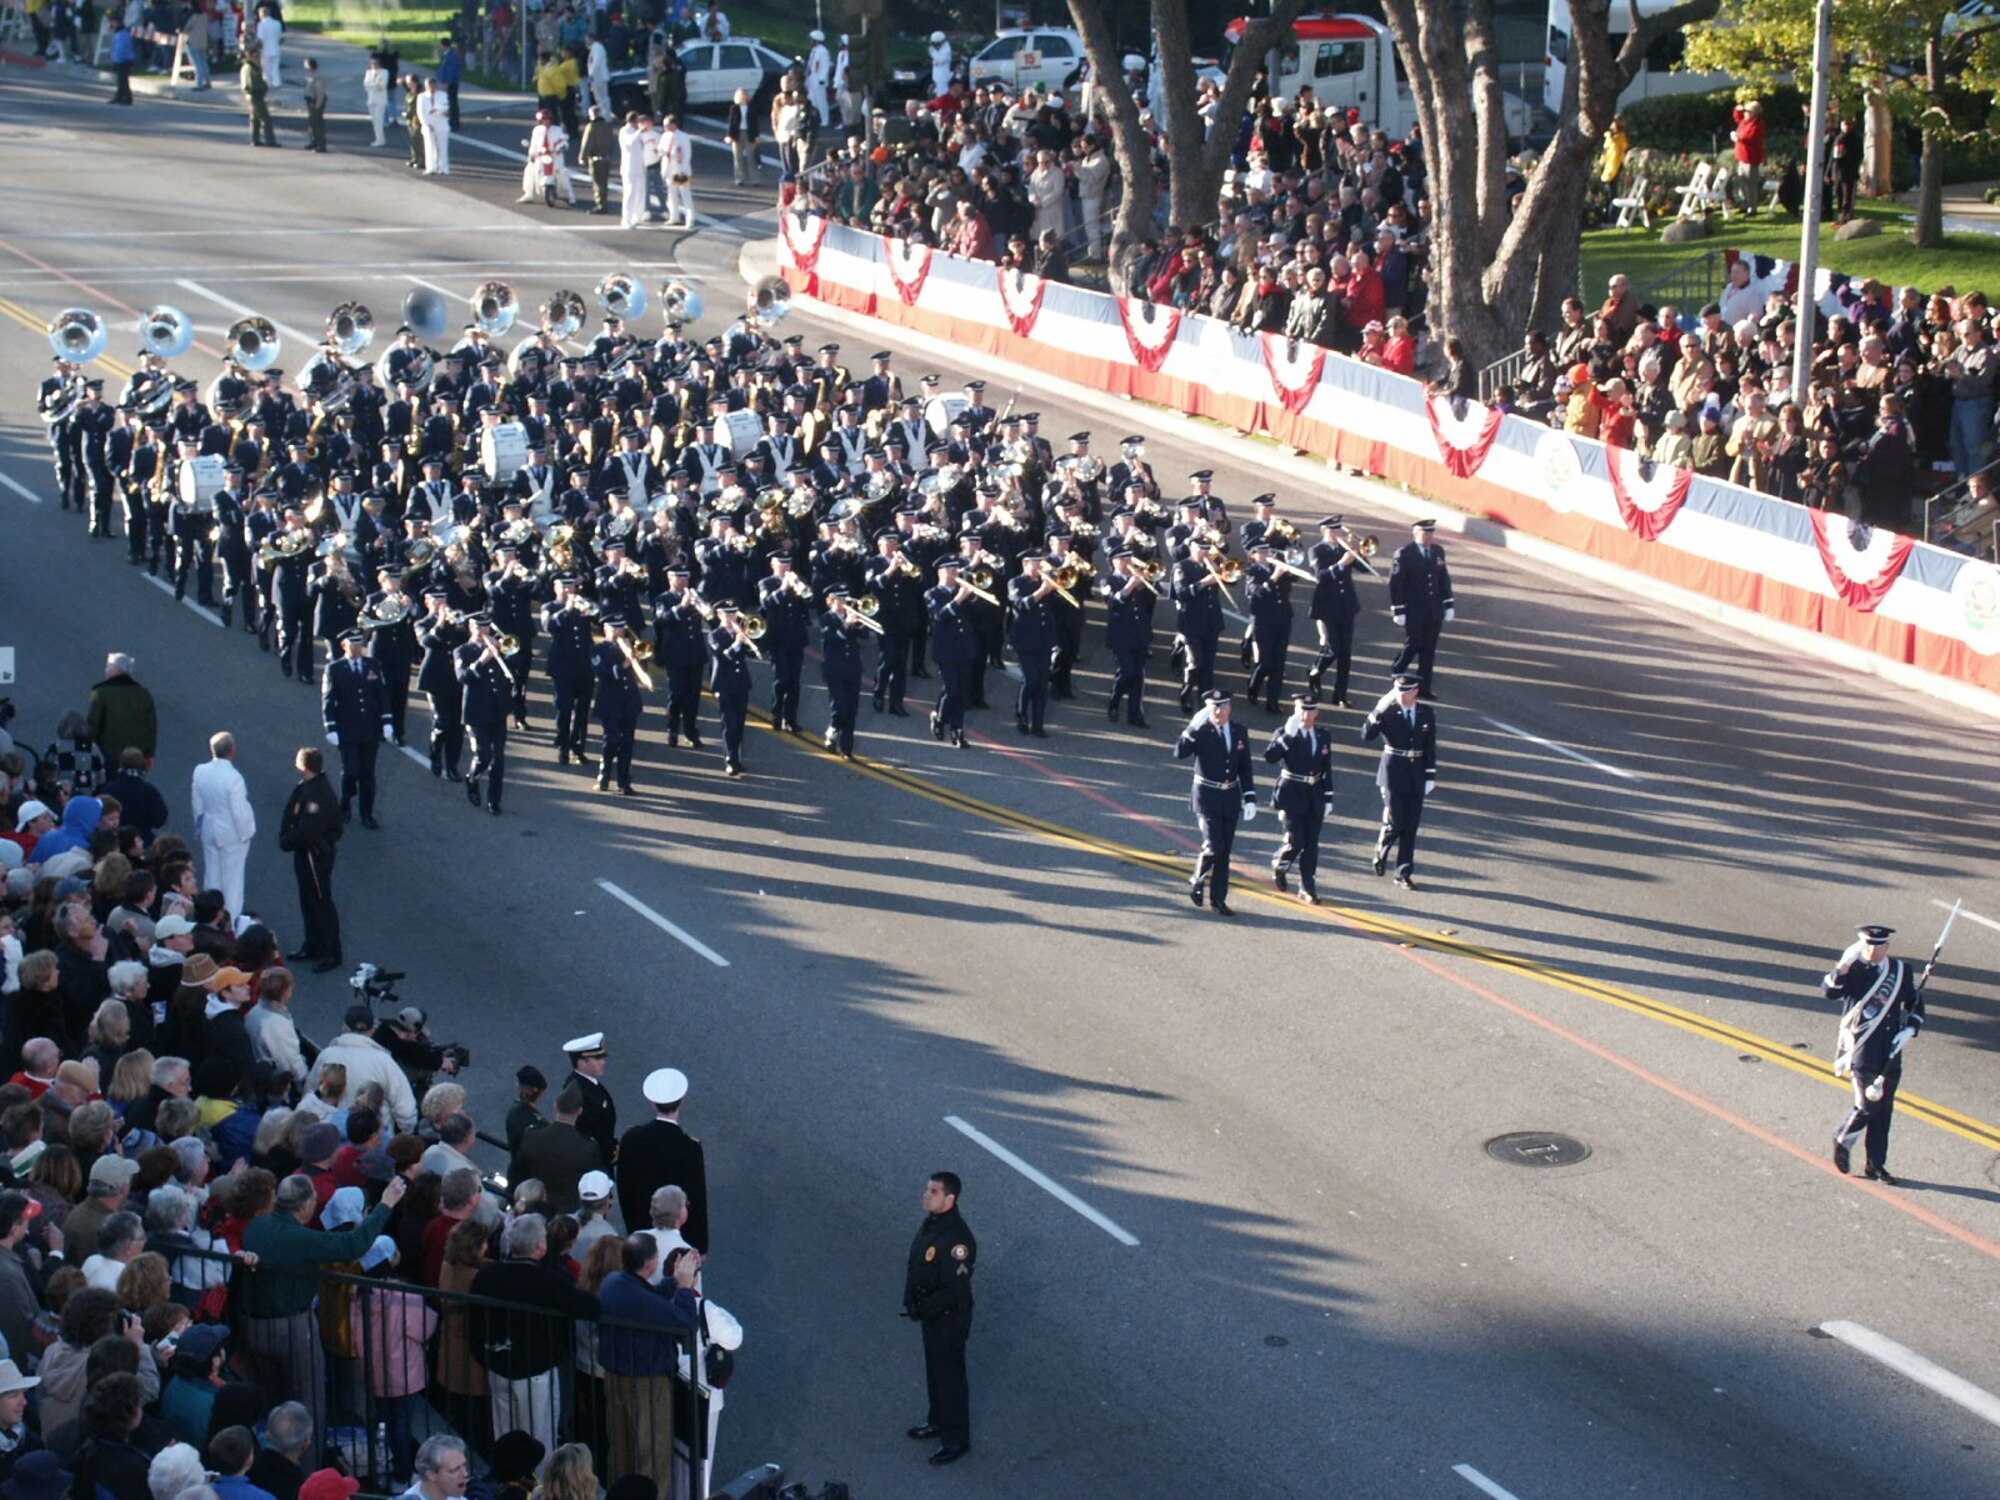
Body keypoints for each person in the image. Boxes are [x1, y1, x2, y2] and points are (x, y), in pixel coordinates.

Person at [239, 1172, 407, 1444]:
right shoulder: (299, 1237)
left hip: (253, 1326)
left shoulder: (256, 1227)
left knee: (271, 1396)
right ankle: (307, 1465)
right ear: (305, 1205)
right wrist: (386, 1204)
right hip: (291, 1328)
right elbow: (352, 1245)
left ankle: (273, 1450)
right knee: (309, 1398)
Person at [468, 1215, 599, 1454]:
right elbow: (589, 1308)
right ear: (541, 1245)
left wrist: (485, 1356)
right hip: (535, 1371)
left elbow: (474, 1322)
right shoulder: (549, 1282)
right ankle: (538, 1489)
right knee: (539, 1442)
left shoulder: (486, 1277)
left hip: (498, 1367)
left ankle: (509, 1484)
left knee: (505, 1436)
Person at [596, 1234, 700, 1484]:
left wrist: (672, 1282)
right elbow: (687, 1324)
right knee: (652, 1455)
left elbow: (650, 1297)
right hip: (647, 1383)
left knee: (620, 1450)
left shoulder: (613, 1282)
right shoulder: (641, 1300)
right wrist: (685, 1288)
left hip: (614, 1376)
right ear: (650, 1264)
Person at [1826, 924, 1927, 1184]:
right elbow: (1829, 992)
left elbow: (1914, 1003)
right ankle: (1843, 1137)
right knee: (1867, 1105)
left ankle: (1876, 1165)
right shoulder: (1855, 971)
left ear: (1887, 947)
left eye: (1878, 945)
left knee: (1883, 1111)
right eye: (1868, 945)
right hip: (1861, 1049)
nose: (1873, 950)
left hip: (1890, 1050)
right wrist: (1843, 966)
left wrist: (1911, 1029)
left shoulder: (1900, 971)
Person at [903, 1170, 975, 1468]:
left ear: (950, 1198)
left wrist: (923, 1308)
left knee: (950, 1378)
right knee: (935, 1372)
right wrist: (911, 1301)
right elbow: (918, 1262)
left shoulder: (958, 1238)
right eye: (927, 1189)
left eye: (933, 1191)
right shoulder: (934, 1224)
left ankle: (955, 1439)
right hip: (931, 1312)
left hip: (948, 1318)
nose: (926, 1195)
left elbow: (954, 1289)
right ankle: (937, 1421)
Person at [1174, 691, 1256, 916]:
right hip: (1207, 795)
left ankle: (1218, 899)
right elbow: (1179, 752)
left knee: (1225, 851)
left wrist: (1249, 797)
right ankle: (1197, 879)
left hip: (1230, 796)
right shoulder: (1201, 731)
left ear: (1230, 708)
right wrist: (1190, 729)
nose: (1218, 712)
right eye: (1214, 707)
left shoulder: (1239, 731)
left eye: (1223, 706)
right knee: (1214, 846)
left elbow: (1244, 767)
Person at [615, 1068, 705, 1254]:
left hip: (640, 1236)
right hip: (678, 1239)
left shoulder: (631, 1139)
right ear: (682, 1102)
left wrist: (633, 1231)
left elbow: (624, 1191)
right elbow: (696, 1199)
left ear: (653, 1103)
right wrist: (699, 1245)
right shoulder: (689, 1147)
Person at [1362, 673, 1435, 891]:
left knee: (1411, 825)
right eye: (1398, 690)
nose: (1401, 695)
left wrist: (1430, 774)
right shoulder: (1389, 712)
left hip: (1416, 772)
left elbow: (1429, 746)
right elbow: (1367, 735)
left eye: (1405, 691)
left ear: (1415, 692)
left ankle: (1403, 872)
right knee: (1396, 822)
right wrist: (1376, 712)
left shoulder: (1425, 713)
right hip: (1393, 770)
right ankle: (1382, 849)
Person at [276, 747, 342, 973]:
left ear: (304, 765)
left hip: (315, 854)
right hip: (306, 853)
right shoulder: (309, 787)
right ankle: (313, 944)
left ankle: (332, 952)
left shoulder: (318, 794)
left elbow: (309, 829)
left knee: (321, 901)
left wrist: (287, 840)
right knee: (308, 900)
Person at [1264, 694, 1334, 904]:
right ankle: (1280, 863)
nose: (1305, 715)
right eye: (1302, 710)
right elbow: (1270, 757)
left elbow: (1326, 768)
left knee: (1312, 844)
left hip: (1315, 793)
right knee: (1295, 841)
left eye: (1310, 710)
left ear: (1317, 713)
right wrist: (1287, 737)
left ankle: (1307, 887)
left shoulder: (1322, 735)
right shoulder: (1285, 733)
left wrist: (1328, 796)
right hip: (1291, 792)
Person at [321, 631, 393, 829]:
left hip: (370, 728)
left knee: (368, 774)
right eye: (353, 644)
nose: (357, 648)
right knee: (351, 771)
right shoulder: (335, 669)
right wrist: (331, 727)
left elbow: (382, 694)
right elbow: (328, 700)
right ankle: (345, 804)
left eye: (359, 644)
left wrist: (387, 721)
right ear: (344, 646)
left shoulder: (373, 665)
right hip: (347, 729)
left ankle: (366, 814)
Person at [190, 733, 255, 919]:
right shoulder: (234, 778)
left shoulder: (200, 771)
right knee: (233, 882)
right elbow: (239, 811)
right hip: (231, 833)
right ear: (232, 751)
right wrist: (246, 833)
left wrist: (199, 828)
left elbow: (197, 803)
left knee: (212, 876)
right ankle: (230, 922)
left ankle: (208, 916)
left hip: (209, 830)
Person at [1387, 519, 1453, 699]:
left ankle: (1424, 686)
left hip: (1433, 608)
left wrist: (1448, 603)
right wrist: (1398, 609)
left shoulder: (1437, 551)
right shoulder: (1404, 554)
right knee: (1414, 642)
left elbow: (1443, 579)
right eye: (1425, 533)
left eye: (1431, 533)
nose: (1429, 537)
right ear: (1415, 533)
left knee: (1429, 649)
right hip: (1414, 608)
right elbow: (1396, 583)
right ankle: (1399, 668)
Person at [1307, 517, 1367, 707]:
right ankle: (1315, 670)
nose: (1336, 535)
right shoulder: (1317, 550)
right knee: (1334, 648)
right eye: (1332, 531)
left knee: (1346, 654)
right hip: (1327, 606)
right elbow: (1320, 576)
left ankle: (1340, 695)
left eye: (1338, 531)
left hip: (1347, 605)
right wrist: (1341, 564)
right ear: (1323, 531)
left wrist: (1360, 553)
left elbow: (1364, 569)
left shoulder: (1344, 548)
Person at [454, 617, 512, 815]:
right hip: (477, 709)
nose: (484, 630)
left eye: (486, 626)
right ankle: (473, 778)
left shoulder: (498, 646)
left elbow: (516, 664)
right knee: (483, 756)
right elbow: (463, 677)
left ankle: (494, 800)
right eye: (479, 627)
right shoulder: (463, 651)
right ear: (471, 628)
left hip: (498, 708)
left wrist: (503, 650)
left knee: (498, 758)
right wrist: (483, 659)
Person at [86, 654, 157, 771]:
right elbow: (151, 727)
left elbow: (92, 724)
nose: (106, 669)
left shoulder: (101, 693)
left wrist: (89, 750)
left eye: (108, 666)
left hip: (108, 757)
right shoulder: (143, 694)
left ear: (116, 669)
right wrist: (149, 754)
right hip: (137, 757)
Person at [579, 107, 617, 214]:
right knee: (604, 182)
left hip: (595, 158)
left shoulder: (591, 126)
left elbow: (587, 143)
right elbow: (611, 142)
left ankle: (600, 204)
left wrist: (583, 157)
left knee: (597, 183)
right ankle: (604, 203)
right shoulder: (608, 126)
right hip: (606, 157)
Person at [658, 115, 693, 230]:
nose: (665, 127)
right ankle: (674, 216)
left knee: (684, 194)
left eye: (667, 125)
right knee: (671, 195)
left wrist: (679, 160)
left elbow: (687, 155)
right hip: (669, 169)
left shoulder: (683, 137)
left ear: (674, 125)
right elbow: (660, 150)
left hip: (680, 170)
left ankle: (689, 219)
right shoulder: (664, 136)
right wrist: (663, 152)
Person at [724, 88, 759, 188]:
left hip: (749, 133)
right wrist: (729, 135)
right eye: (742, 95)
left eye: (745, 94)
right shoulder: (734, 108)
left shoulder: (752, 108)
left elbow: (755, 123)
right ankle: (739, 178)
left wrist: (757, 136)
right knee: (737, 157)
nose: (744, 96)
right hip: (737, 134)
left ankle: (754, 179)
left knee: (751, 156)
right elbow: (731, 123)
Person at [242, 52, 278, 147]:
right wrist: (259, 90)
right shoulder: (249, 68)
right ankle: (269, 140)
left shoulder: (254, 67)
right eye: (255, 56)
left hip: (256, 95)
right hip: (255, 96)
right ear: (249, 56)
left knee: (255, 119)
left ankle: (255, 139)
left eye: (258, 56)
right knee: (265, 119)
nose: (257, 58)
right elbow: (249, 84)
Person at [419, 79, 452, 175]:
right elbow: (421, 112)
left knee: (443, 147)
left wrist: (437, 110)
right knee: (429, 146)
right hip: (429, 125)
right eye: (428, 86)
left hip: (441, 124)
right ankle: (430, 167)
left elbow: (445, 108)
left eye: (432, 85)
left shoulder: (442, 95)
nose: (430, 88)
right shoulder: (422, 97)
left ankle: (444, 168)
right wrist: (427, 124)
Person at [363, 54, 391, 146]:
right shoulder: (368, 73)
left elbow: (382, 86)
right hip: (371, 99)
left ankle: (380, 140)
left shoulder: (384, 72)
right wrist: (375, 84)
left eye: (375, 63)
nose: (373, 65)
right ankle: (378, 138)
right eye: (372, 63)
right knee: (374, 120)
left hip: (380, 100)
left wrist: (372, 85)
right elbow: (366, 85)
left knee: (379, 119)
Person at [301, 58, 328, 152]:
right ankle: (313, 142)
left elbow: (320, 92)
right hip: (309, 101)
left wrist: (317, 105)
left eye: (306, 63)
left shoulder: (317, 76)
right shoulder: (309, 75)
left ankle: (321, 145)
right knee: (312, 123)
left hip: (316, 101)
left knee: (318, 124)